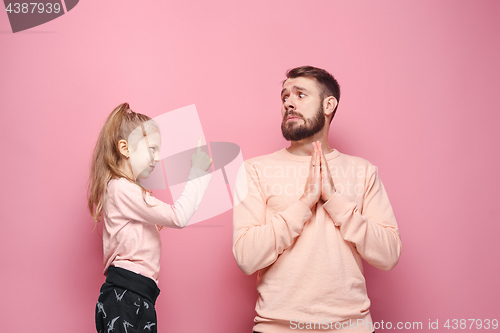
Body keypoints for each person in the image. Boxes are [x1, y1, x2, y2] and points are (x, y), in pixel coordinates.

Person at [233, 66, 402, 333]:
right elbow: (246, 257)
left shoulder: (363, 171)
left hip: (351, 328)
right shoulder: (255, 170)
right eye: (285, 97)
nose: (289, 102)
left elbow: (389, 254)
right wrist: (304, 203)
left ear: (328, 104)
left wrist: (334, 201)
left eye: (300, 95)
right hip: (277, 328)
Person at [88, 103, 212, 333]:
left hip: (139, 294)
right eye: (151, 148)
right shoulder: (121, 188)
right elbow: (178, 216)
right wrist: (197, 173)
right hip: (125, 295)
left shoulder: (127, 191)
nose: (157, 157)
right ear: (125, 148)